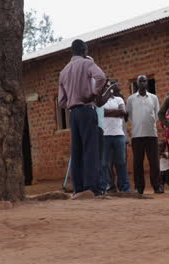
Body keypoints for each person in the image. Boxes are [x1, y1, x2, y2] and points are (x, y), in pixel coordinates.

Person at [58, 39, 106, 196]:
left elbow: (61, 101)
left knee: (76, 151)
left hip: (73, 114)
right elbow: (101, 77)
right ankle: (92, 188)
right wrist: (92, 94)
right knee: (90, 149)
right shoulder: (86, 64)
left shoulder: (64, 71)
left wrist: (73, 103)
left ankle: (78, 189)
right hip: (86, 110)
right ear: (84, 50)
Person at [127, 75, 162, 194]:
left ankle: (157, 186)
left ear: (147, 83)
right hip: (137, 135)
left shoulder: (154, 98)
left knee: (154, 162)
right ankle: (139, 187)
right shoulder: (131, 99)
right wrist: (139, 122)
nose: (142, 83)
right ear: (136, 83)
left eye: (144, 81)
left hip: (151, 134)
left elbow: (157, 115)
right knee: (137, 163)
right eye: (140, 81)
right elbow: (130, 116)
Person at [100, 83, 131, 193]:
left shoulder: (118, 99)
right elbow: (101, 113)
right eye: (106, 86)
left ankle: (125, 189)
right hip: (104, 136)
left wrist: (108, 113)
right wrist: (115, 112)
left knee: (121, 163)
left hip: (119, 135)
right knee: (104, 164)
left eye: (109, 86)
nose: (108, 88)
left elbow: (123, 112)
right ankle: (103, 189)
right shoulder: (99, 101)